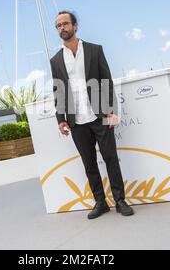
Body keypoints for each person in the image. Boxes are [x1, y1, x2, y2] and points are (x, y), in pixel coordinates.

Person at [50, 11, 134, 219]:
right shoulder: (56, 60)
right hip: (76, 121)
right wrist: (61, 119)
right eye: (58, 25)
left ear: (75, 26)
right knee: (89, 164)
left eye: (65, 24)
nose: (62, 28)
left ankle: (120, 200)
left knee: (110, 159)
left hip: (99, 115)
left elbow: (107, 80)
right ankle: (100, 202)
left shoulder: (95, 50)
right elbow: (58, 90)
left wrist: (112, 110)